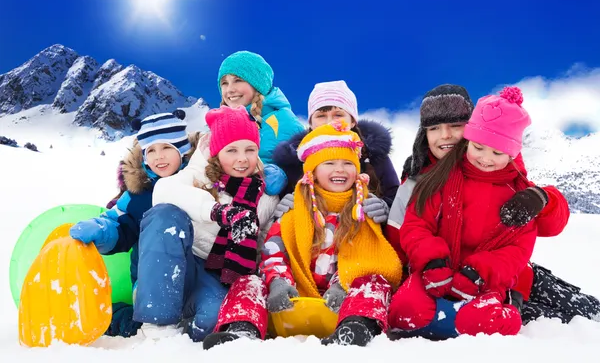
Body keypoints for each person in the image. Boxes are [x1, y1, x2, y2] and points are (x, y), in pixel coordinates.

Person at [387, 84, 597, 327]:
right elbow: (405, 239)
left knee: (579, 313)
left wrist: (543, 198)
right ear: (424, 134)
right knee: (539, 321)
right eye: (434, 128)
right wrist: (432, 266)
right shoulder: (419, 180)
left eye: (455, 125)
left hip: (505, 274)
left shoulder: (502, 162)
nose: (445, 135)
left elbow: (546, 226)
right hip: (443, 278)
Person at [202, 120, 402, 349]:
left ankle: (357, 327)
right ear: (313, 172)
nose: (339, 169)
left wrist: (343, 285)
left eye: (347, 163)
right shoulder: (295, 208)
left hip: (341, 305)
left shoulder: (361, 209)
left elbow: (369, 258)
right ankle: (242, 330)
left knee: (374, 283)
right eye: (329, 163)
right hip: (290, 301)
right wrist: (278, 282)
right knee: (248, 281)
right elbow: (275, 249)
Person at [70, 110, 196, 338]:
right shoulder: (139, 194)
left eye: (167, 147)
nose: (159, 157)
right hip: (153, 283)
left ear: (183, 149)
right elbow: (120, 224)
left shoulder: (201, 183)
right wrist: (102, 230)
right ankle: (112, 317)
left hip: (197, 278)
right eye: (151, 151)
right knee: (133, 324)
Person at [273, 80, 399, 225]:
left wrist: (385, 208)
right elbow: (271, 209)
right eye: (321, 116)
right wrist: (281, 205)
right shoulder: (294, 161)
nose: (329, 122)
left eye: (338, 115)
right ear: (311, 123)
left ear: (352, 121)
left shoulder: (374, 157)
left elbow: (396, 200)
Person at [218, 50, 304, 165]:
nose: (230, 89)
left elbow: (301, 172)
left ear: (258, 85)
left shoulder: (285, 122)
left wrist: (276, 177)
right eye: (224, 83)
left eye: (238, 80)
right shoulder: (218, 125)